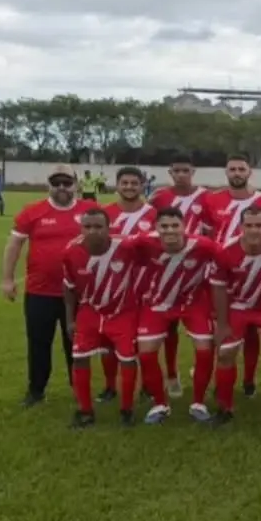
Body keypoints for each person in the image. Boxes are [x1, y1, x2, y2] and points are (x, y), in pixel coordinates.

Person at [3, 164, 91, 407]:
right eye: (56, 183)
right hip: (40, 292)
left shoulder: (89, 211)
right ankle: (36, 390)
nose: (62, 187)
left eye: (67, 182)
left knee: (76, 344)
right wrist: (8, 279)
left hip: (77, 293)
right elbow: (14, 245)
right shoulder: (33, 212)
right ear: (48, 185)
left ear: (76, 184)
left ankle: (79, 389)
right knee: (39, 343)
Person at [134, 208, 221, 424]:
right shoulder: (144, 242)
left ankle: (198, 403)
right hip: (157, 303)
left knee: (205, 349)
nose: (170, 230)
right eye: (164, 226)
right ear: (156, 228)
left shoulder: (203, 245)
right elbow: (118, 247)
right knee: (146, 354)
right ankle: (160, 405)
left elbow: (226, 260)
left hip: (193, 303)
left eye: (175, 226)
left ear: (184, 227)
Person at [210, 206, 261, 425]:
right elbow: (219, 288)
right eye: (249, 225)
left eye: (259, 225)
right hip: (237, 306)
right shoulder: (225, 251)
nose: (254, 230)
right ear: (241, 227)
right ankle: (225, 408)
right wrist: (222, 323)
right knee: (225, 354)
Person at [207, 154, 261, 397]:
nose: (237, 173)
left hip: (255, 272)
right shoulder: (213, 199)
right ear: (226, 172)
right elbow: (208, 232)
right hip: (223, 273)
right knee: (223, 329)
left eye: (241, 169)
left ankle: (248, 379)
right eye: (232, 169)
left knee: (251, 330)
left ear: (250, 172)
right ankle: (221, 382)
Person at [62, 208, 141, 428]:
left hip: (122, 313)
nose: (92, 231)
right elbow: (68, 287)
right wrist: (70, 319)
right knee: (79, 357)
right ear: (81, 228)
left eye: (98, 226)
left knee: (127, 359)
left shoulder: (127, 246)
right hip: (90, 311)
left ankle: (127, 409)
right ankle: (85, 411)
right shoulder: (71, 252)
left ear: (109, 228)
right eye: (87, 226)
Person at [149, 153, 216, 391]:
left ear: (193, 172)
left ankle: (201, 372)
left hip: (197, 269)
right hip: (166, 268)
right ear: (170, 172)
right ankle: (171, 374)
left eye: (185, 170)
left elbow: (211, 231)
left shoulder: (206, 197)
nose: (181, 175)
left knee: (205, 325)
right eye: (176, 171)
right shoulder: (159, 197)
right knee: (168, 326)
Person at [101, 167, 158, 402]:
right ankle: (110, 387)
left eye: (134, 183)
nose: (129, 187)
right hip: (111, 287)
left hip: (144, 287)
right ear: (117, 185)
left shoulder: (153, 214)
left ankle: (148, 385)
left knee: (145, 341)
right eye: (124, 183)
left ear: (142, 185)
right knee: (109, 341)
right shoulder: (105, 213)